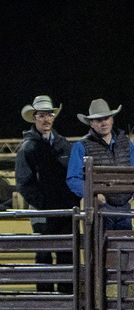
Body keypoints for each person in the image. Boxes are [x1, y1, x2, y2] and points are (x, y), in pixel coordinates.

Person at [15, 95, 76, 295]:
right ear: (35, 118)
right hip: (43, 211)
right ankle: (47, 302)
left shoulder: (63, 144)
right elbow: (24, 183)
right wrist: (46, 203)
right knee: (44, 255)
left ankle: (67, 304)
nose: (46, 119)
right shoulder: (28, 147)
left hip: (64, 210)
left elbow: (73, 174)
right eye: (42, 115)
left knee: (66, 255)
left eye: (49, 115)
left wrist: (69, 201)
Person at [66, 99, 134, 230]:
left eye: (106, 118)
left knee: (125, 245)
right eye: (98, 120)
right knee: (99, 246)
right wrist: (92, 193)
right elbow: (73, 178)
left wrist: (131, 192)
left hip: (124, 207)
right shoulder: (81, 146)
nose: (103, 123)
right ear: (91, 123)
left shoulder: (125, 143)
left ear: (112, 119)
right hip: (98, 207)